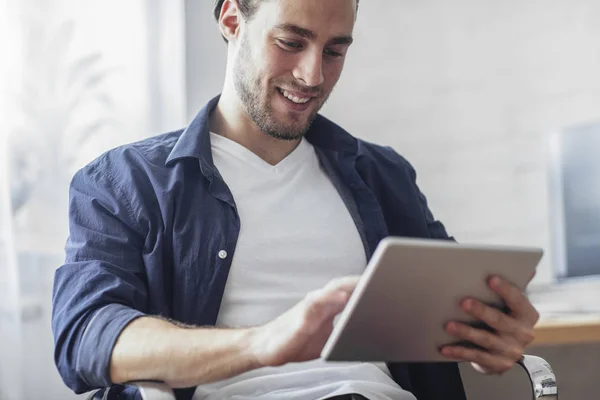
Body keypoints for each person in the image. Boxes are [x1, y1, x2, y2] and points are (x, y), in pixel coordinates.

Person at [52, 0, 540, 399]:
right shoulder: (125, 181)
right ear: (231, 21)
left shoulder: (383, 175)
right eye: (290, 42)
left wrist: (488, 333)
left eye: (335, 51)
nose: (312, 76)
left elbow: (455, 304)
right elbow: (86, 335)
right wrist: (263, 342)